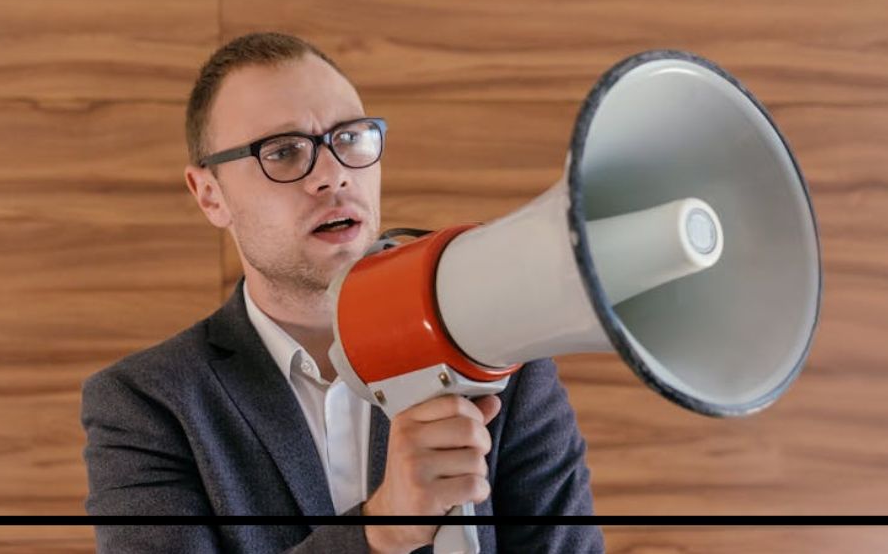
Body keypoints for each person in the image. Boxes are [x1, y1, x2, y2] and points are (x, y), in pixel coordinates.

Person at [80, 32, 604, 554]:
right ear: (210, 196)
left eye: (350, 138)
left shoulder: (498, 352)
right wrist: (381, 528)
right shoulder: (144, 405)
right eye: (282, 152)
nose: (332, 176)